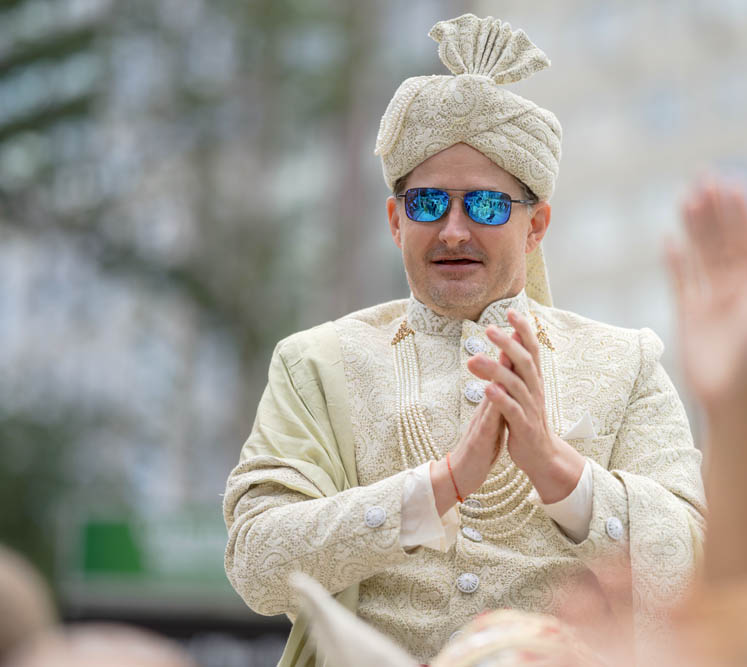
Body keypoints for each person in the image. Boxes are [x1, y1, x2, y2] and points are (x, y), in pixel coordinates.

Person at [223, 13, 705, 666]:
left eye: (483, 206)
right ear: (394, 220)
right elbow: (256, 563)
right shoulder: (318, 363)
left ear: (536, 226)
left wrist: (556, 470)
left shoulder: (627, 366)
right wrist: (439, 484)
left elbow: (695, 569)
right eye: (426, 204)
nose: (451, 230)